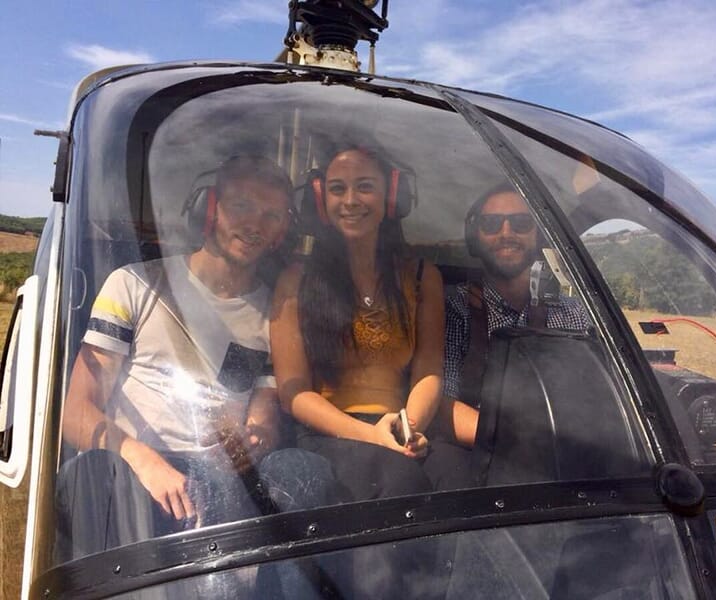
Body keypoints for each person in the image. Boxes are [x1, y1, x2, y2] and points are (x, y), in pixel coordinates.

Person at [57, 155, 334, 563]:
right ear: (211, 208)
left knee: (303, 469)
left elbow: (265, 418)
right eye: (241, 206)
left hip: (220, 484)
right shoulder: (134, 284)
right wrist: (143, 461)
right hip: (130, 474)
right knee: (90, 474)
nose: (255, 225)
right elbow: (76, 412)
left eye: (271, 215)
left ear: (281, 232)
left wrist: (255, 438)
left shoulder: (274, 315)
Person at [270, 144, 445, 501]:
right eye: (337, 189)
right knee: (397, 481)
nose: (350, 200)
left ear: (391, 196)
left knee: (459, 476)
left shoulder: (422, 276)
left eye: (365, 186)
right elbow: (293, 393)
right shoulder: (295, 280)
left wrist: (406, 430)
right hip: (327, 434)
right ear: (321, 200)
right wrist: (372, 437)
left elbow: (429, 369)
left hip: (401, 425)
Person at [437, 184, 591, 450]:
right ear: (475, 238)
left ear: (539, 235)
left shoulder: (573, 314)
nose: (506, 233)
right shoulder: (452, 310)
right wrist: (519, 445)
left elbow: (594, 398)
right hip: (479, 459)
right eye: (491, 224)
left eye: (521, 223)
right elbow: (441, 405)